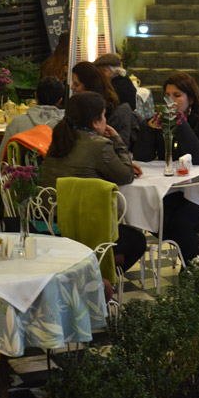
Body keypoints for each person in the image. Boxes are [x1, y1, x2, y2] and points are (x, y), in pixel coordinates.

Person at [41, 92, 146, 298]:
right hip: (81, 231)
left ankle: (89, 278)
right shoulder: (99, 145)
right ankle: (93, 283)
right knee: (137, 241)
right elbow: (125, 175)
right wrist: (116, 139)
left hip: (48, 223)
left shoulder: (59, 138)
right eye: (104, 116)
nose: (106, 120)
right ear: (96, 121)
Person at [133, 72, 199, 264]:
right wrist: (148, 129)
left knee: (181, 222)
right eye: (167, 96)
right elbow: (142, 158)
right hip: (173, 189)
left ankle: (195, 263)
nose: (170, 101)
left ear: (190, 98)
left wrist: (181, 123)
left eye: (177, 95)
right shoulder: (160, 120)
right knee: (156, 220)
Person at [71, 61, 140, 150]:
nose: (72, 87)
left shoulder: (115, 113)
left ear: (90, 86)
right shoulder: (78, 107)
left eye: (76, 84)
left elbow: (120, 151)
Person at [0, 76, 65, 163]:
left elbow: (2, 158)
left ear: (35, 95)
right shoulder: (65, 126)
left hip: (21, 175)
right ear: (60, 101)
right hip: (55, 175)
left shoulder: (17, 122)